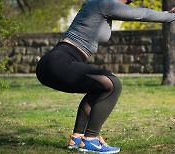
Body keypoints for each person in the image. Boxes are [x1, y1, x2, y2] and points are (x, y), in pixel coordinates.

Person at [36, 0, 175, 153]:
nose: (127, 4)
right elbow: (142, 14)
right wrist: (170, 16)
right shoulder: (104, 3)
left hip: (51, 63)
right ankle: (91, 139)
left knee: (98, 87)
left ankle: (77, 137)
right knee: (113, 84)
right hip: (60, 61)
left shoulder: (96, 5)